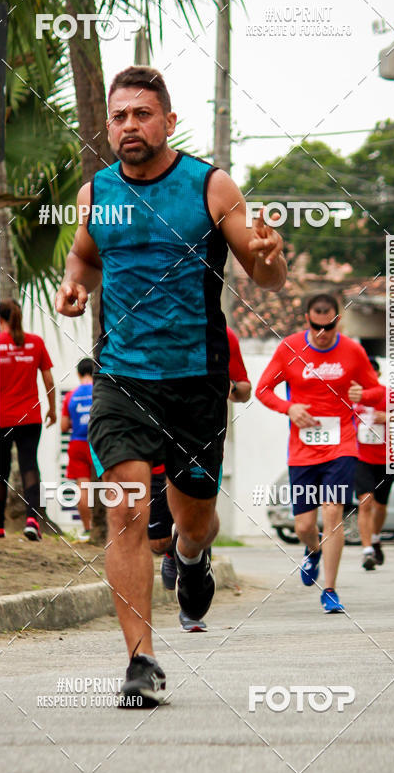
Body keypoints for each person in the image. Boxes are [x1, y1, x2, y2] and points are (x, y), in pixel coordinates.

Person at [55, 65, 286, 707]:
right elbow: (86, 255)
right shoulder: (95, 191)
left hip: (197, 376)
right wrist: (76, 283)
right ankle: (140, 660)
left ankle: (189, 558)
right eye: (119, 116)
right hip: (122, 375)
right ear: (108, 127)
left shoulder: (210, 186)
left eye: (142, 114)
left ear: (167, 121)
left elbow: (264, 272)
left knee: (194, 517)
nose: (130, 125)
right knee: (126, 509)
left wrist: (271, 256)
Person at [256, 293, 379, 613]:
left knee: (334, 513)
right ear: (307, 319)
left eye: (328, 325)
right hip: (303, 450)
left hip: (342, 445)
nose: (322, 332)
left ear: (338, 320)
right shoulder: (290, 348)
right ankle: (312, 551)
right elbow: (262, 389)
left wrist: (362, 392)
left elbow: (377, 390)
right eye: (315, 325)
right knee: (304, 527)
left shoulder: (353, 350)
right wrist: (289, 408)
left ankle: (330, 590)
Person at [149, 326, 252, 632]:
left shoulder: (222, 333)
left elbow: (245, 389)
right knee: (157, 541)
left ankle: (191, 598)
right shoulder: (146, 328)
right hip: (158, 440)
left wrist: (231, 389)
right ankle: (172, 550)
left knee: (195, 526)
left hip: (203, 441)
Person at [0, 299, 56, 541]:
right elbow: (48, 380)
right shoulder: (35, 342)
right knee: (29, 465)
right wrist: (53, 409)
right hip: (30, 417)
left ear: (0, 319)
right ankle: (32, 521)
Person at [349, 357, 393, 570]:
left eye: (371, 373)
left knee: (381, 506)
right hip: (360, 458)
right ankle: (367, 551)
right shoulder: (351, 398)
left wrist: (389, 417)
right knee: (365, 501)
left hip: (386, 459)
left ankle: (375, 538)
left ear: (377, 375)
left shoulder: (388, 394)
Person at [61, 358, 94, 541]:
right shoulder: (100, 392)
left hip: (78, 444)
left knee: (83, 488)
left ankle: (88, 529)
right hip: (99, 444)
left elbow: (64, 427)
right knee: (110, 485)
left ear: (79, 374)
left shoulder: (70, 396)